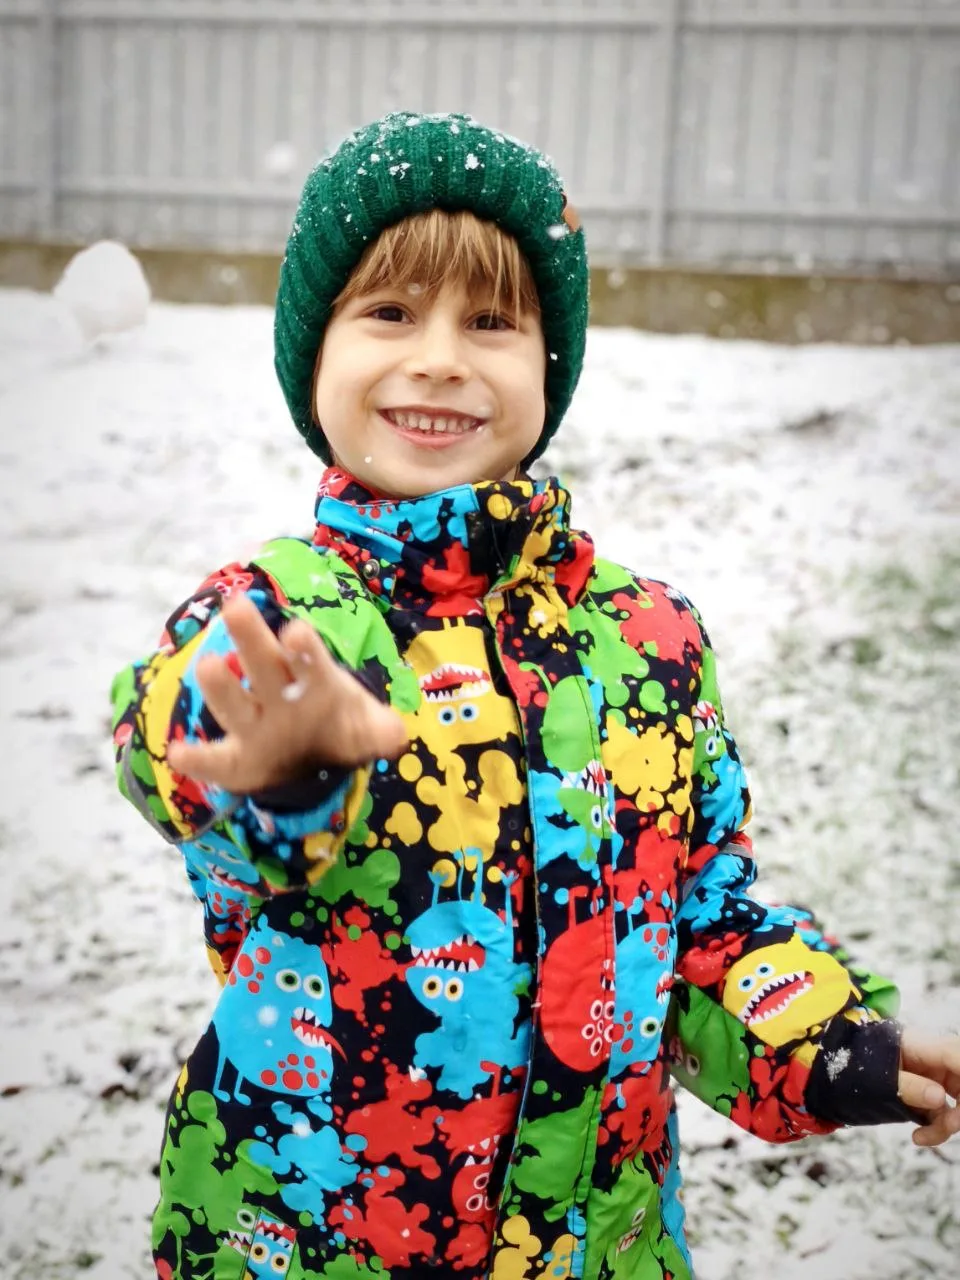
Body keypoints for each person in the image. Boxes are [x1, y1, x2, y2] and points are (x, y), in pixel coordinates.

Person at [111, 111, 959, 1280]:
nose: (440, 357)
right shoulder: (279, 615)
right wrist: (278, 768)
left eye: (492, 321)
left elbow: (697, 922)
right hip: (312, 1237)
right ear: (314, 355)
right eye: (390, 312)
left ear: (548, 365)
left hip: (592, 1240)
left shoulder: (649, 639)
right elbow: (163, 733)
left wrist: (829, 1041)